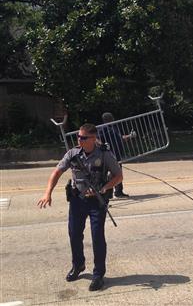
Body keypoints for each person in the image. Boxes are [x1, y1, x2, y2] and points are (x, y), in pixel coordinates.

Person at [37, 123, 123, 291]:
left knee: (97, 236)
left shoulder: (104, 154)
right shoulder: (73, 153)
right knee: (74, 234)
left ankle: (98, 274)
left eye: (83, 137)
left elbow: (119, 176)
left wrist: (104, 188)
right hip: (77, 200)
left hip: (97, 201)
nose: (79, 139)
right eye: (78, 136)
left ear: (93, 138)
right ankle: (78, 265)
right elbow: (57, 172)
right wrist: (48, 192)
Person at [99, 112, 133, 198]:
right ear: (107, 119)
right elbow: (97, 139)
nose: (113, 119)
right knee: (108, 174)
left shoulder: (114, 127)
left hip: (117, 154)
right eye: (111, 118)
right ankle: (108, 192)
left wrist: (130, 136)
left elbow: (120, 138)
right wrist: (102, 145)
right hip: (109, 155)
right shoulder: (103, 129)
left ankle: (118, 191)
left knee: (117, 173)